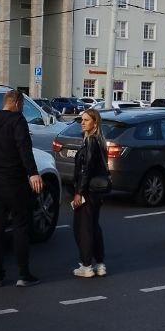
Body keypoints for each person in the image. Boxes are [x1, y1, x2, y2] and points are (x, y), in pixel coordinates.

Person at [0, 90, 44, 287]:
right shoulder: (17, 121)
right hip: (14, 181)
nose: (22, 109)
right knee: (20, 226)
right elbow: (24, 148)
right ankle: (23, 274)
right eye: (22, 106)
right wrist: (32, 173)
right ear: (17, 103)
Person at [70, 109, 109, 278]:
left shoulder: (91, 141)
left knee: (82, 227)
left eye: (86, 120)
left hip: (88, 190)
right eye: (82, 120)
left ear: (95, 123)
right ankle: (100, 264)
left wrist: (79, 192)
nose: (82, 123)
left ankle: (86, 266)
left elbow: (86, 169)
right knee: (94, 226)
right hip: (97, 191)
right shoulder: (100, 141)